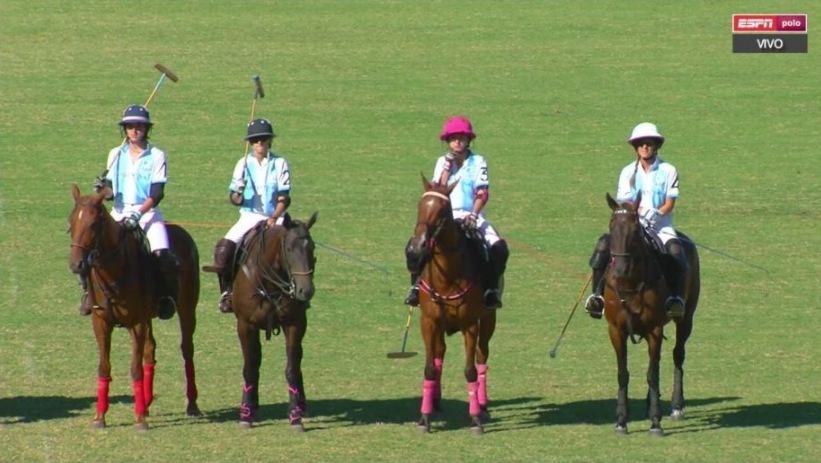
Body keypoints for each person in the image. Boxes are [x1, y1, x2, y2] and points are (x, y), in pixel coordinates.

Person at [79, 104, 178, 319]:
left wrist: (139, 214)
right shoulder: (115, 154)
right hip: (118, 213)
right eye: (130, 126)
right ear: (125, 130)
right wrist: (102, 189)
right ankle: (88, 293)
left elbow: (157, 193)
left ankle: (164, 297)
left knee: (162, 255)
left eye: (139, 126)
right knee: (89, 249)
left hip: (148, 216)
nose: (135, 130)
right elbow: (111, 192)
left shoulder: (157, 156)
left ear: (146, 129)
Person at [585, 122, 688, 319]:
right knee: (602, 245)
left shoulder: (668, 170)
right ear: (636, 147)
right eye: (641, 144)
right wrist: (638, 215)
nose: (645, 147)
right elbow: (625, 203)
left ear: (656, 146)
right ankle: (597, 297)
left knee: (676, 251)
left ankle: (676, 299)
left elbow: (669, 203)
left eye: (649, 143)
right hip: (632, 223)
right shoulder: (627, 172)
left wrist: (656, 214)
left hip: (661, 225)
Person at [404, 116, 509, 309]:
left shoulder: (478, 161)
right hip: (444, 217)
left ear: (469, 140)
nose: (457, 141)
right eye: (453, 138)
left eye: (461, 137)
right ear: (448, 142)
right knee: (414, 247)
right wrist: (446, 168)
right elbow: (437, 191)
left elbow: (482, 193)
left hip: (472, 215)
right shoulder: (441, 162)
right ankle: (416, 288)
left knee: (499, 248)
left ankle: (491, 290)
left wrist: (474, 215)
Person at [202, 118, 292, 313]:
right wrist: (238, 192)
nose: (259, 143)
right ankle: (227, 292)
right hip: (250, 216)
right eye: (255, 140)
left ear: (269, 141)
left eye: (263, 139)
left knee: (295, 248)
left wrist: (274, 217)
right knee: (224, 248)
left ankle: (295, 292)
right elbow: (234, 200)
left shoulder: (280, 163)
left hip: (276, 217)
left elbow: (284, 198)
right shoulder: (242, 164)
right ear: (250, 143)